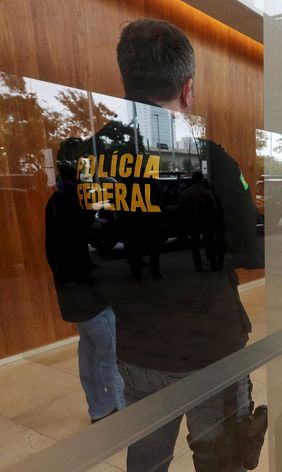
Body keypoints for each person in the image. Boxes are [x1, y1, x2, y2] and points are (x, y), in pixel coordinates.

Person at [70, 19, 266, 471]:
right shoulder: (208, 160)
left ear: (125, 84)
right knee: (223, 459)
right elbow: (252, 249)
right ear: (188, 89)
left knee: (147, 460)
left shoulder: (91, 162)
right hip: (210, 350)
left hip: (137, 346)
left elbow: (89, 249)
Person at [45, 164, 126, 424]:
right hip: (89, 292)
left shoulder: (55, 200)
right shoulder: (77, 201)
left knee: (89, 352)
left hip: (70, 290)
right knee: (110, 355)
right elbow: (99, 234)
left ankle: (98, 408)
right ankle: (122, 412)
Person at [180, 171, 221, 270]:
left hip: (193, 221)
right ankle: (213, 264)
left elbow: (181, 208)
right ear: (202, 179)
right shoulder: (207, 192)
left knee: (194, 245)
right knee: (209, 243)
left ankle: (198, 265)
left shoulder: (185, 193)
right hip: (206, 221)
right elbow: (214, 208)